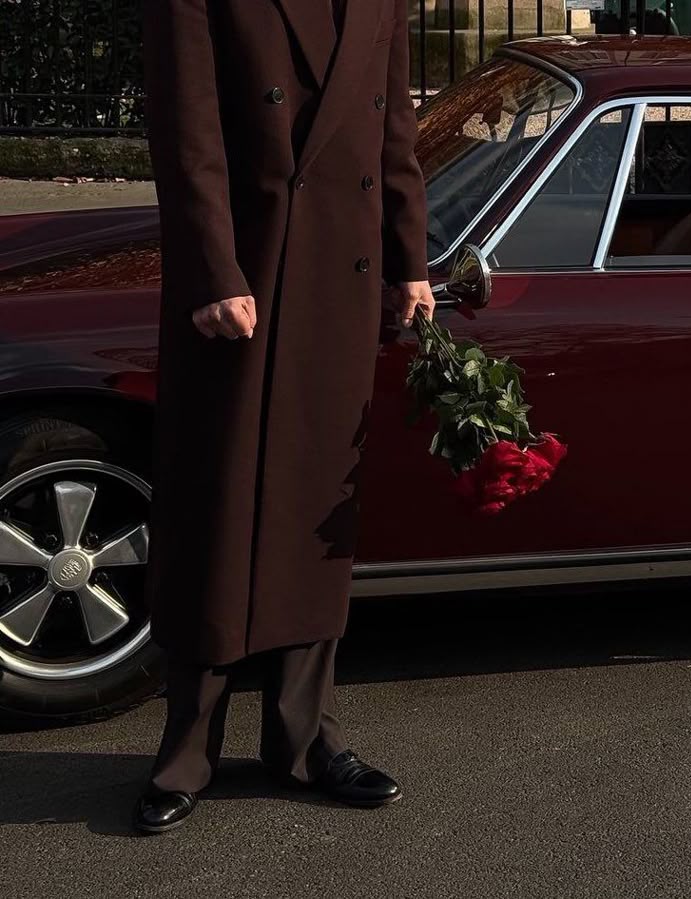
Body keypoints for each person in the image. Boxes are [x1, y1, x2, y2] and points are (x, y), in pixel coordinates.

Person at [134, 0, 433, 833]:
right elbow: (185, 127)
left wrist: (409, 259)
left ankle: (303, 740)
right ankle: (185, 752)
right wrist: (211, 270)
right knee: (216, 507)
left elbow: (392, 127)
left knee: (315, 508)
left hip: (340, 272)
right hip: (244, 276)